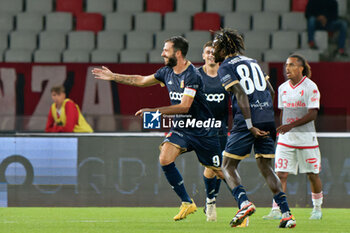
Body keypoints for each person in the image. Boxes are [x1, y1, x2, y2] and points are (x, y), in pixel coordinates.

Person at [92, 36, 225, 221]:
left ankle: (243, 202)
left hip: (202, 129)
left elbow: (185, 106)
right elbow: (140, 80)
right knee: (164, 157)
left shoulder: (192, 74)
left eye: (166, 50)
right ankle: (187, 202)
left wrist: (155, 111)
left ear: (177, 53)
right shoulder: (166, 72)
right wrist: (114, 76)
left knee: (219, 171)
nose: (162, 53)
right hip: (182, 127)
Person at [212, 28, 296, 228]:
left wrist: (250, 124)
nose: (213, 51)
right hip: (266, 117)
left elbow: (240, 93)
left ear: (224, 48)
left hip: (246, 120)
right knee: (266, 167)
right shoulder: (253, 62)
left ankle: (243, 203)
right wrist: (264, 114)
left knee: (227, 165)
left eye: (215, 46)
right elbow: (271, 90)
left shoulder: (225, 67)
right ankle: (287, 215)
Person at [263, 54, 323, 220]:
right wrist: (283, 128)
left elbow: (313, 114)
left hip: (306, 139)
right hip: (286, 140)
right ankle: (277, 209)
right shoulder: (282, 88)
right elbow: (283, 111)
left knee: (312, 174)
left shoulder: (311, 87)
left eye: (291, 65)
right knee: (280, 174)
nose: (287, 68)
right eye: (286, 65)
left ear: (301, 68)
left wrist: (290, 125)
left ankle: (317, 209)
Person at [198, 41, 230, 222]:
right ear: (203, 55)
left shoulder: (226, 75)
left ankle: (210, 200)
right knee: (213, 167)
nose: (210, 55)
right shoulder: (196, 75)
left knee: (217, 168)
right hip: (202, 130)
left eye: (213, 52)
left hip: (221, 129)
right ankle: (211, 202)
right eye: (207, 52)